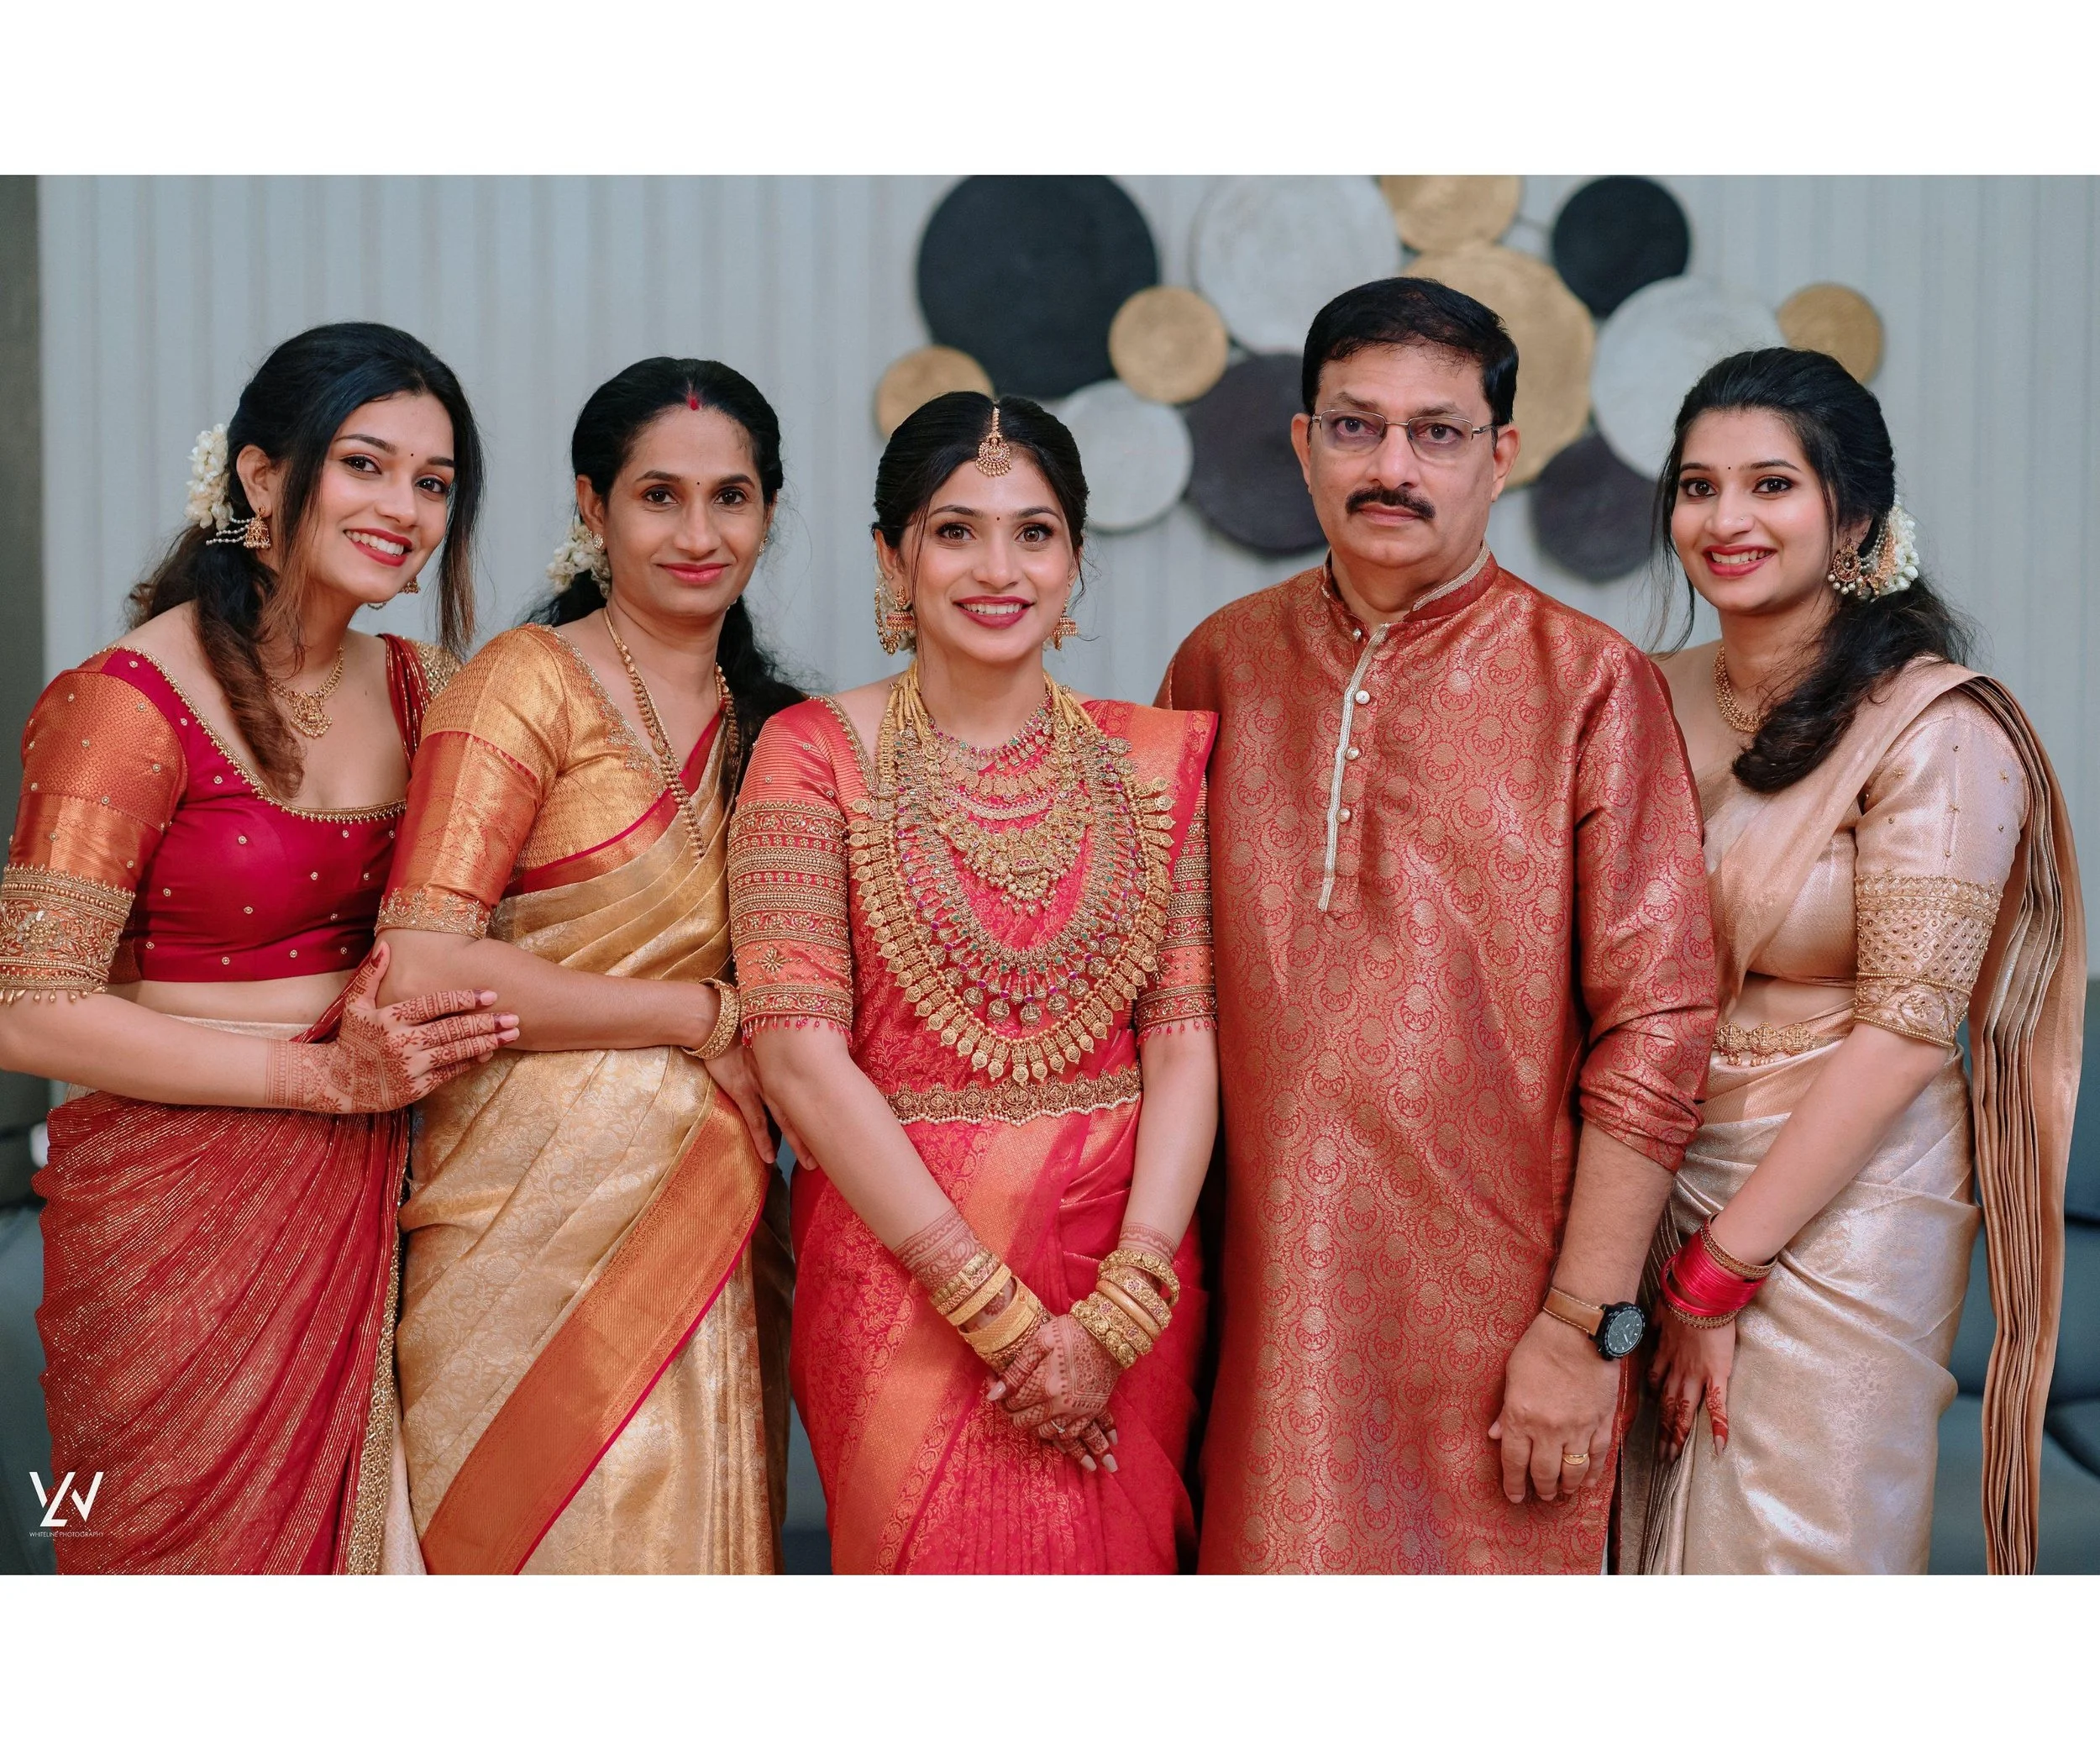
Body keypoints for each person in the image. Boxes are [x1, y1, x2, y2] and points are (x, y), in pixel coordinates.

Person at [1158, 277, 1719, 1573]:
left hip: (1509, 1337)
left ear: (1501, 455)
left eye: (1438, 432)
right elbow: (1162, 1005)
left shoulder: (1587, 683)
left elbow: (1660, 1024)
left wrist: (1580, 1328)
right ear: (1302, 445)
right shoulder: (1217, 666)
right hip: (1264, 1329)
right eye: (1356, 427)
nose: (1393, 466)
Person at [0, 321, 513, 1573]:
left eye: (433, 483)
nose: (404, 508)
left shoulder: (426, 689)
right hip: (175, 1215)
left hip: (381, 1193)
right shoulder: (126, 704)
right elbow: (26, 1007)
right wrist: (318, 1075)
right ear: (262, 477)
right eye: (366, 465)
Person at [731, 392, 1218, 1573]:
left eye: (1034, 531)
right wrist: (996, 1313)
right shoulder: (810, 753)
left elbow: (1185, 1038)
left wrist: (1122, 1308)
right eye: (956, 530)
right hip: (903, 1277)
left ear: (1077, 559)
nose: (998, 567)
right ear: (892, 556)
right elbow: (797, 1051)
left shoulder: (1156, 757)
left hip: (1126, 1278)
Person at [1620, 348, 2083, 1574]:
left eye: (1771, 485)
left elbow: (1903, 1035)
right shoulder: (1639, 699)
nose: (1726, 520)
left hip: (1847, 1198)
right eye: (1698, 486)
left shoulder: (1940, 725)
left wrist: (1721, 1270)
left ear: (1857, 515)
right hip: (1649, 1166)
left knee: (1788, 1554)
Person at [375, 358, 803, 1574]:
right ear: (589, 505)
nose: (698, 531)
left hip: (710, 1220)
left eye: (732, 497)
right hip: (521, 1225)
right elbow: (418, 967)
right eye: (658, 495)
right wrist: (701, 1010)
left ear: (769, 511)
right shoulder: (524, 684)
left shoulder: (780, 728)